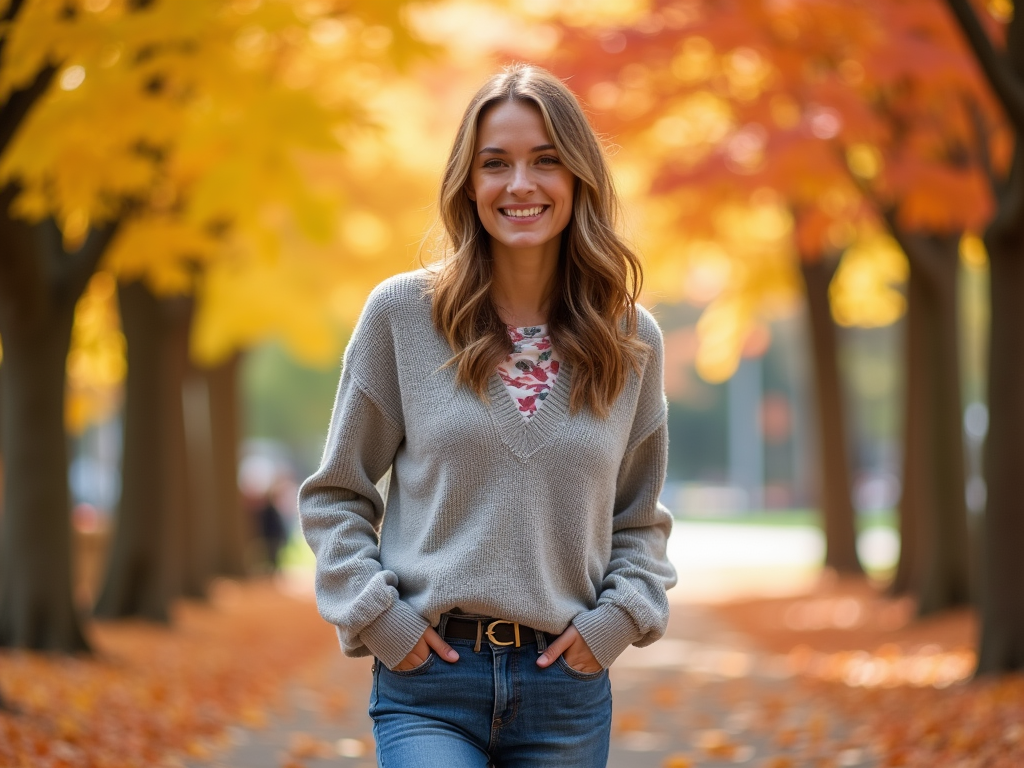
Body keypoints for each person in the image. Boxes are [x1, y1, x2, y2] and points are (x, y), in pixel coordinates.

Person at [299, 62, 677, 767]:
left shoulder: (631, 340)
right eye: (495, 164)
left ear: (579, 179)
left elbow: (638, 520)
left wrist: (615, 624)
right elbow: (335, 495)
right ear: (468, 185)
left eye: (545, 161)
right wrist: (380, 620)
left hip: (565, 688)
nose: (520, 185)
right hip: (429, 681)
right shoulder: (402, 318)